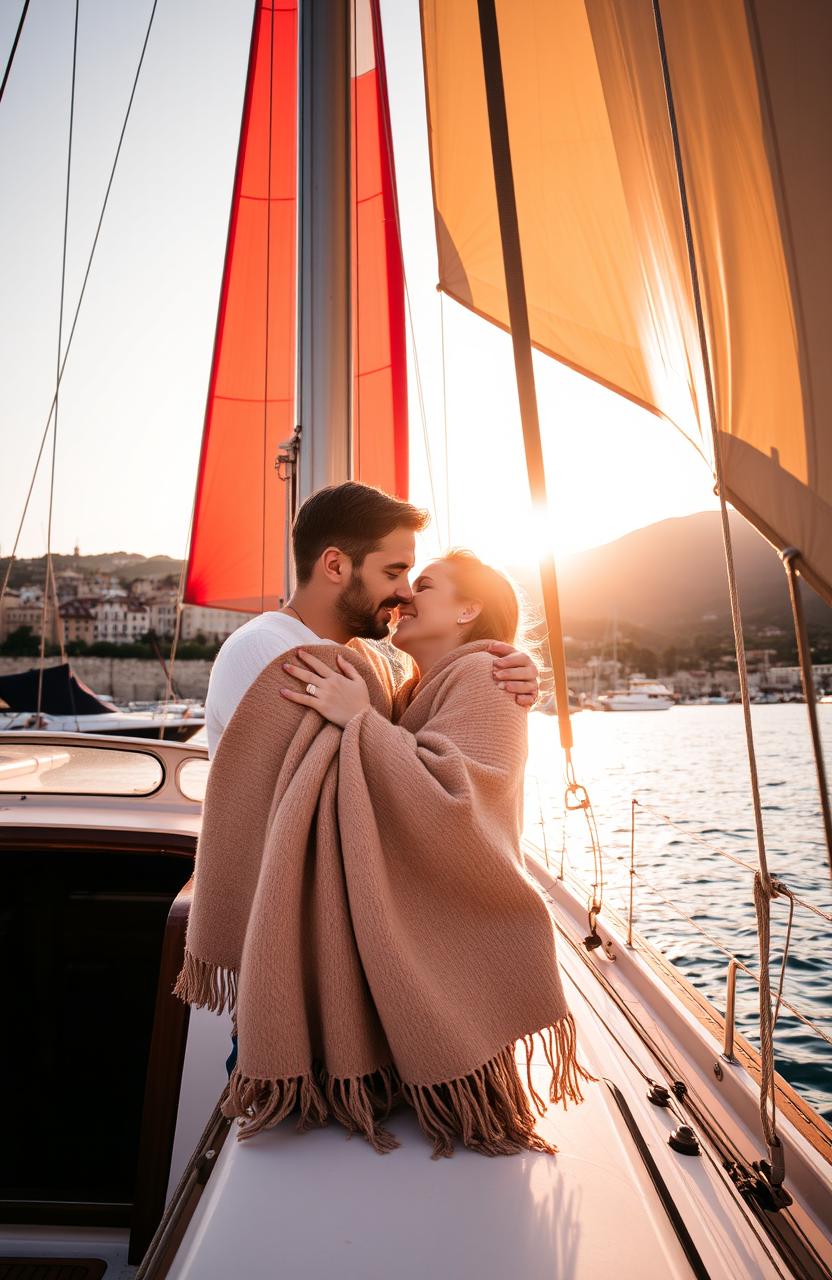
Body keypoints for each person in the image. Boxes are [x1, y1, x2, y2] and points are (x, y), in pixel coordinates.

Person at [205, 482, 540, 759]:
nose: (405, 593)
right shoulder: (265, 648)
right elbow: (328, 791)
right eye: (393, 572)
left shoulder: (371, 667)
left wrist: (496, 670)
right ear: (336, 566)